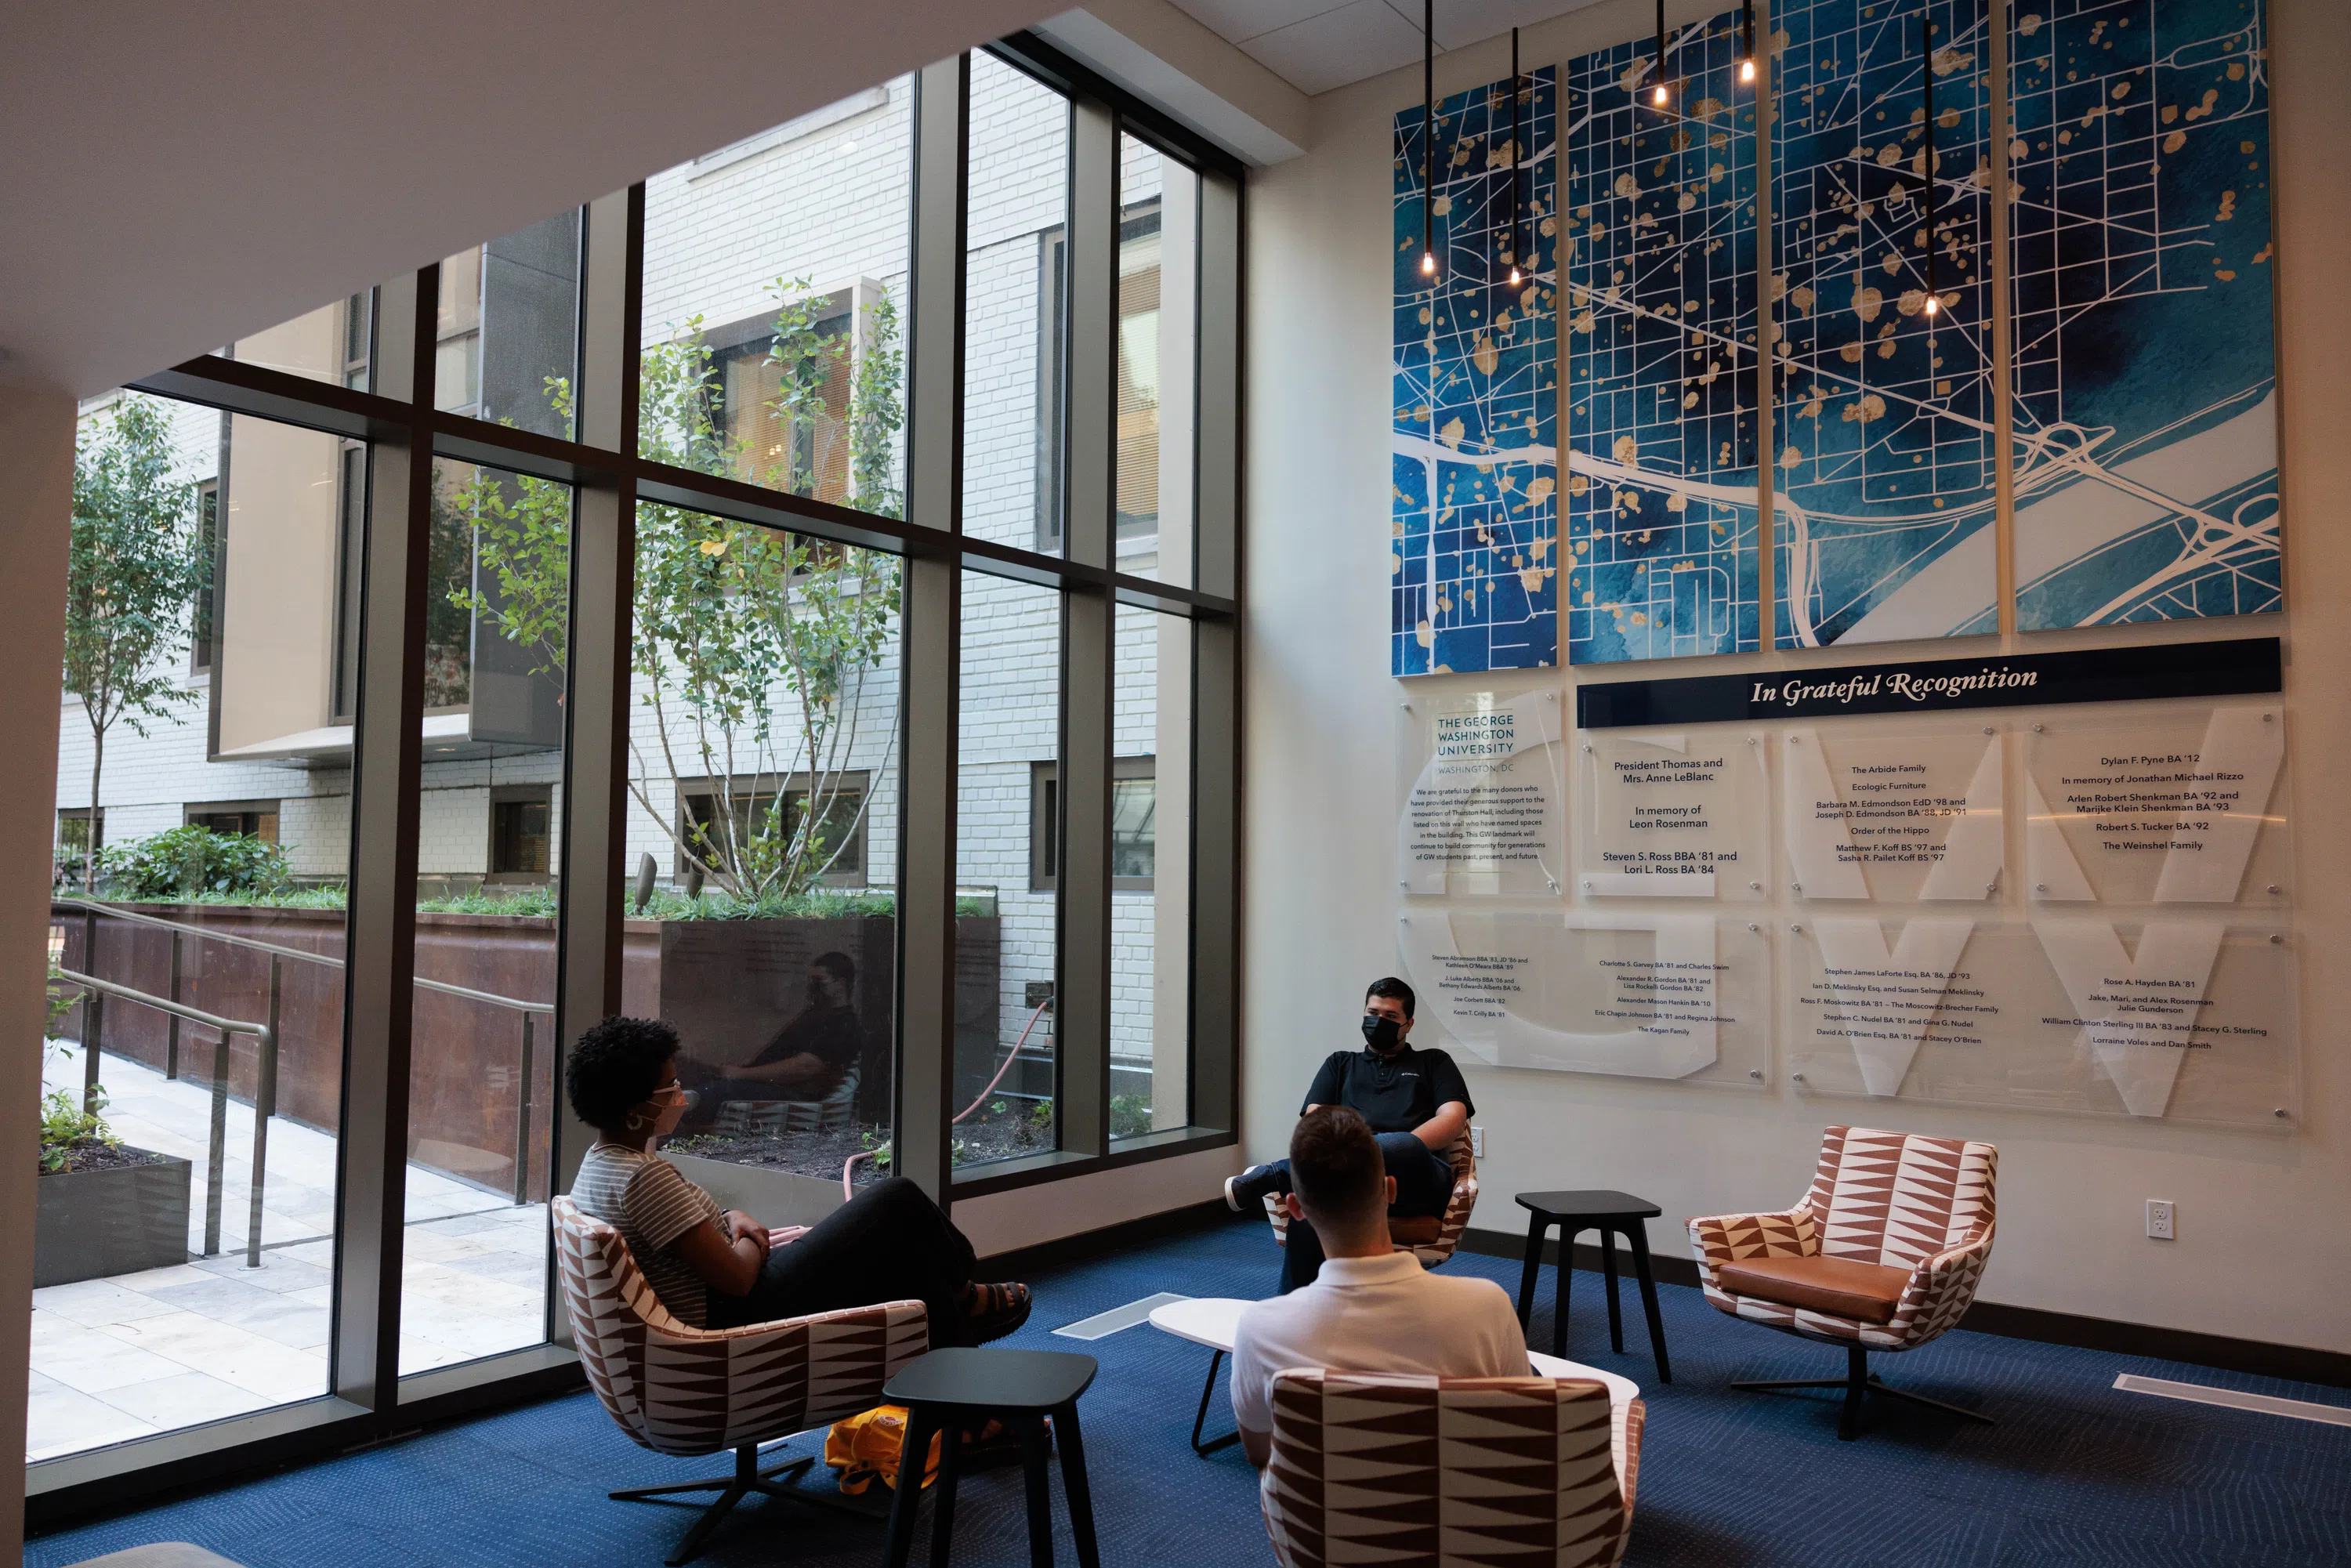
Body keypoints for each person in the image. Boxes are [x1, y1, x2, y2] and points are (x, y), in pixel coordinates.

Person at [565, 1014, 1029, 1340]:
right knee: (897, 1197)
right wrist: (755, 1238)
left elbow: (681, 1238)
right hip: (743, 1310)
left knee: (905, 1258)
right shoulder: (643, 1179)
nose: (680, 1097)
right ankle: (963, 1290)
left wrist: (732, 1217)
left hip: (726, 1299)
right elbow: (738, 1279)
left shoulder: (601, 1162)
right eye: (669, 1087)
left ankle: (963, 1398)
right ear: (634, 1107)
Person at [1229, 1106, 1529, 1468]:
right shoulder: (1488, 1306)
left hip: (1326, 1519)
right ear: (1390, 1190)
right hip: (1451, 1513)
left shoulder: (1259, 1330)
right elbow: (1520, 1426)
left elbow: (1263, 1455)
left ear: (1294, 1208)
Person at [1224, 976, 1471, 1291]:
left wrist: (1384, 1149)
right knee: (1313, 1213)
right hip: (1349, 1185)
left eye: (1390, 1016)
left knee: (1403, 1145)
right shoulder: (1340, 1064)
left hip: (1416, 1182)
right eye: (1373, 1013)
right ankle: (1295, 1313)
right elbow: (1314, 1125)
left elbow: (1453, 1118)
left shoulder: (1434, 1062)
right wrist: (1357, 1162)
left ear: (1408, 1024)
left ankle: (1271, 1175)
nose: (1378, 1021)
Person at [694, 952, 866, 1106]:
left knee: (708, 1093)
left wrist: (741, 1074)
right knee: (692, 1071)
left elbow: (805, 1068)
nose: (813, 988)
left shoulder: (843, 1023)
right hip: (764, 1084)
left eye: (819, 982)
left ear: (841, 984)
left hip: (789, 1095)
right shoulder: (816, 1014)